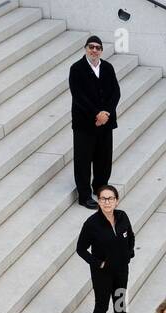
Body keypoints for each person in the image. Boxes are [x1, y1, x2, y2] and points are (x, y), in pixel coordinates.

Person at [75, 183, 137, 313]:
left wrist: (129, 253)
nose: (107, 202)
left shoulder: (122, 216)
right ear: (99, 201)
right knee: (101, 306)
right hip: (102, 273)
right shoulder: (92, 224)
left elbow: (130, 236)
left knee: (120, 299)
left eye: (110, 198)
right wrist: (98, 263)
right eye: (103, 198)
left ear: (116, 201)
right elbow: (80, 249)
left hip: (121, 269)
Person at [69, 35, 120, 210]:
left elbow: (115, 92)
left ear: (101, 51)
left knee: (103, 159)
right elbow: (78, 96)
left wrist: (106, 113)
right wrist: (96, 114)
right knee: (83, 160)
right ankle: (84, 196)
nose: (94, 50)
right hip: (85, 124)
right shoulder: (76, 69)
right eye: (91, 47)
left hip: (105, 122)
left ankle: (100, 188)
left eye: (98, 47)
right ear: (85, 48)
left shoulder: (108, 67)